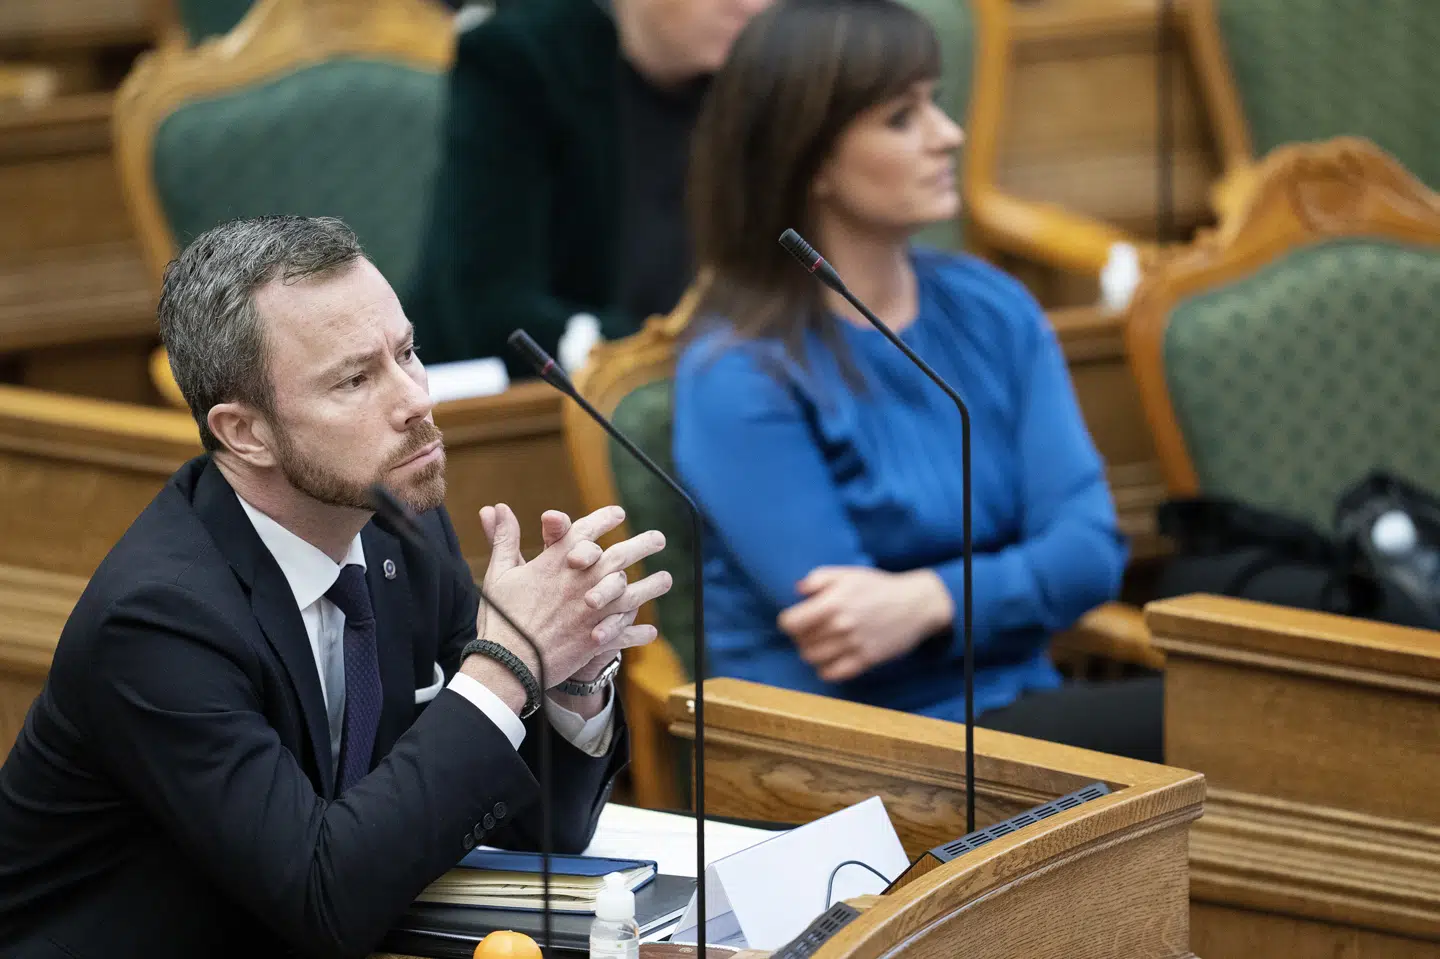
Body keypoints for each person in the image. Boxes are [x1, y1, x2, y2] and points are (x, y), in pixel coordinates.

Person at [0, 216, 672, 958]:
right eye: (356, 379)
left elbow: (521, 830)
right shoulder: (156, 622)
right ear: (244, 432)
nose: (415, 399)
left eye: (407, 352)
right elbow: (324, 898)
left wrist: (566, 682)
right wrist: (505, 664)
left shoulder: (400, 530)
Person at [672, 0, 1161, 763]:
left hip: (1026, 713)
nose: (948, 134)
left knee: (1255, 718)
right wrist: (1009, 588)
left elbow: (1094, 550)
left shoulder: (992, 306)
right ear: (814, 159)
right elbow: (854, 639)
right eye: (902, 117)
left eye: (933, 102)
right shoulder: (738, 371)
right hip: (849, 757)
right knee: (1238, 727)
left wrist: (930, 599)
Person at [406, 0, 773, 378]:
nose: (752, 6)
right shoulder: (523, 60)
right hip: (522, 407)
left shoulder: (769, 80)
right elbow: (488, 306)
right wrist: (679, 354)